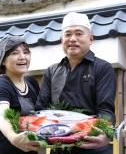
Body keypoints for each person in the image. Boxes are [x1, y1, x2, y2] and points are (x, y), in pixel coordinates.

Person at [35, 12, 116, 154]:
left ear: (90, 39)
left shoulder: (102, 68)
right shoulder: (52, 71)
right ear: (61, 40)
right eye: (68, 34)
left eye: (79, 33)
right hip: (59, 146)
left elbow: (105, 110)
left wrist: (105, 134)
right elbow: (41, 108)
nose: (72, 39)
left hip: (92, 145)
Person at [0, 36, 43, 154]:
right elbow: (2, 115)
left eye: (26, 52)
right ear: (3, 61)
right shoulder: (2, 84)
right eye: (15, 53)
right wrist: (13, 137)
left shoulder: (32, 83)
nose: (22, 57)